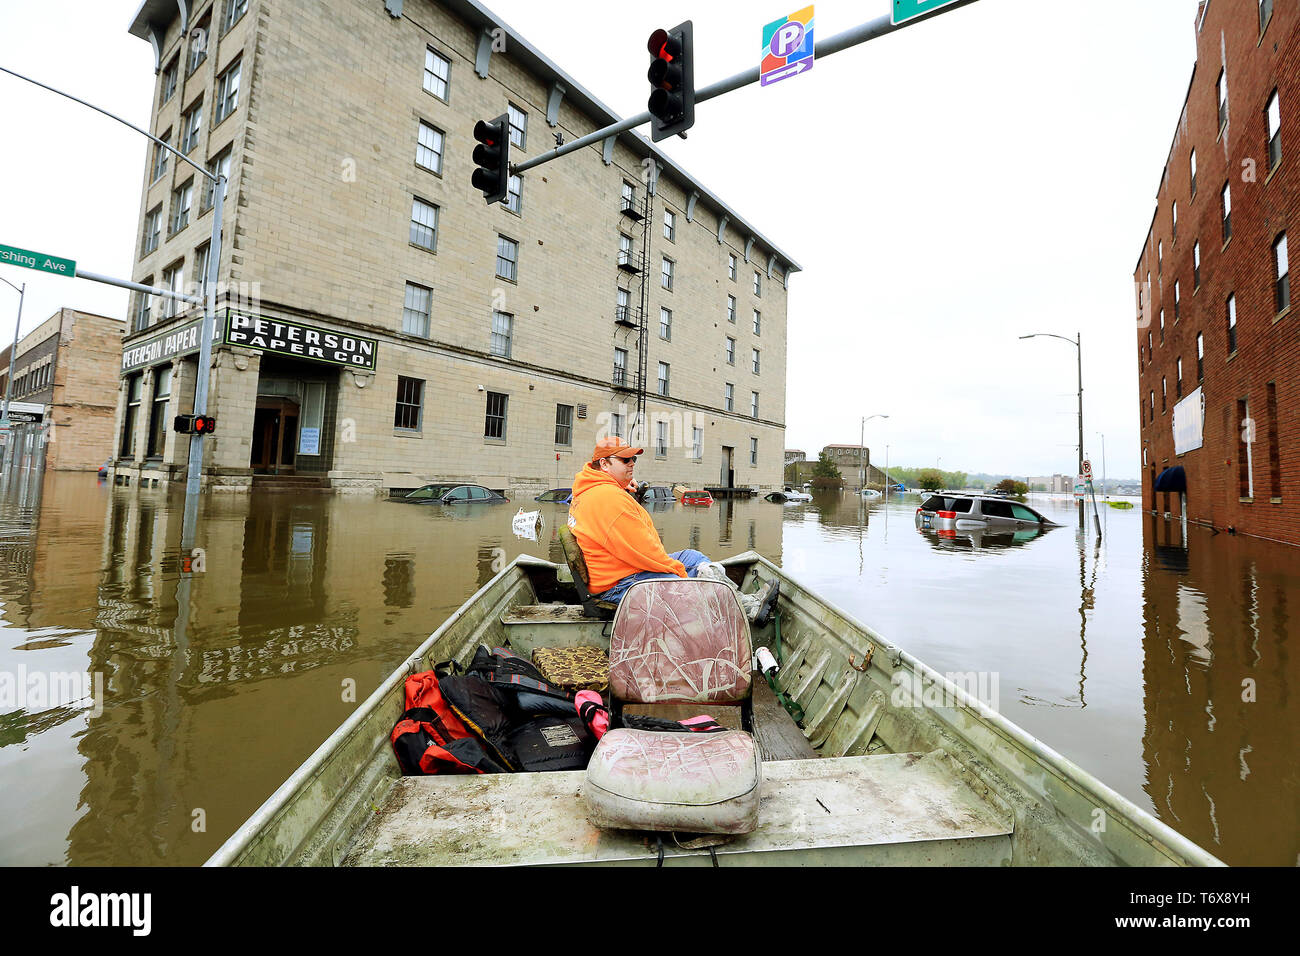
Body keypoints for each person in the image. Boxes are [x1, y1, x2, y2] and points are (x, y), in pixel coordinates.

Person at [568, 437, 778, 621]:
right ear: (604, 464)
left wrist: (621, 486)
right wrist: (679, 572)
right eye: (625, 460)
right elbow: (645, 553)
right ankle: (745, 608)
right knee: (684, 583)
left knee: (692, 557)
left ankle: (743, 602)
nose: (631, 464)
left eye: (634, 459)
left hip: (617, 571)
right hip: (617, 585)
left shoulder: (587, 489)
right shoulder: (609, 499)